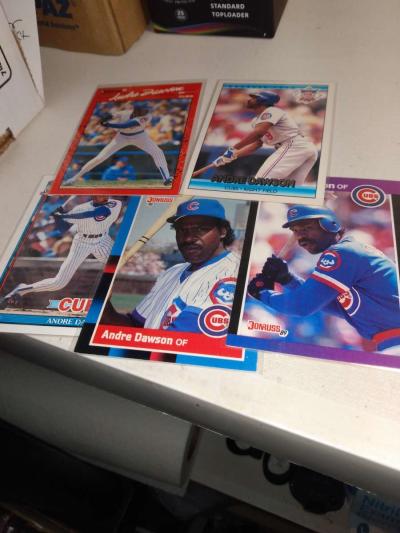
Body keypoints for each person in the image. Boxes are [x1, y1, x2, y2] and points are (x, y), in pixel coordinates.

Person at [247, 205, 400, 353]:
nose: (300, 237)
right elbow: (334, 306)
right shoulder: (350, 251)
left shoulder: (342, 253)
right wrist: (288, 279)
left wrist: (262, 293)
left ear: (330, 225)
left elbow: (301, 306)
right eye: (295, 231)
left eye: (306, 228)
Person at [103, 198, 239, 333]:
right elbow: (135, 327)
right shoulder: (172, 272)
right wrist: (104, 306)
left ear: (223, 231)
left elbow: (176, 340)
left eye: (201, 229)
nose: (188, 238)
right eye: (181, 230)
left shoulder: (234, 273)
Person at [0, 196, 122, 309]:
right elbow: (63, 229)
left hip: (103, 241)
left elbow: (95, 213)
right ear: (93, 196)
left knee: (119, 263)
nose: (105, 195)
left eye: (105, 193)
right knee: (59, 283)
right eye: (100, 193)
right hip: (82, 243)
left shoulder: (115, 203)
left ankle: (106, 299)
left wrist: (64, 215)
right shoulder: (80, 208)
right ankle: (22, 290)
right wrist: (58, 217)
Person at [212, 91, 318, 185]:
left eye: (254, 98)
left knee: (260, 182)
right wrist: (232, 156)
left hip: (293, 145)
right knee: (291, 189)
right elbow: (257, 144)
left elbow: (258, 133)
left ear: (262, 101)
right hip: (300, 147)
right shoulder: (256, 121)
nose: (249, 100)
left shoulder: (272, 111)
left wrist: (233, 148)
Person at [64, 103, 173, 186]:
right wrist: (105, 118)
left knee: (158, 152)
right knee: (100, 157)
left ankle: (166, 178)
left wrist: (108, 124)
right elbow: (112, 115)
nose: (146, 111)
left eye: (146, 109)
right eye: (143, 109)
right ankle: (74, 178)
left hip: (140, 137)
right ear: (136, 109)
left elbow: (126, 125)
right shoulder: (125, 113)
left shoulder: (147, 116)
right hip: (122, 137)